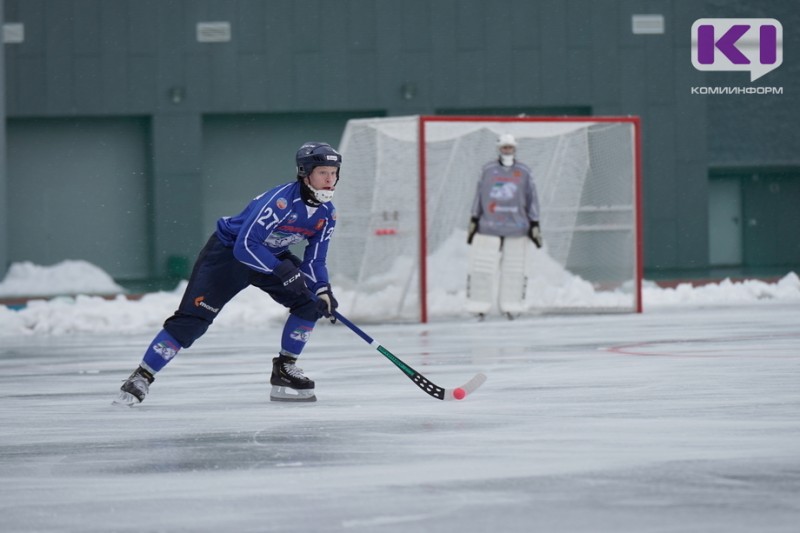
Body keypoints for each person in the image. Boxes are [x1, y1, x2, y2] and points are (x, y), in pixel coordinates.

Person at [114, 142, 342, 405]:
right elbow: (246, 246)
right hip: (228, 255)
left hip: (271, 256)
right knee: (194, 321)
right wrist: (284, 271)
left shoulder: (327, 214)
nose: (329, 179)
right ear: (305, 172)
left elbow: (315, 260)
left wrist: (322, 289)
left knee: (309, 303)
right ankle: (141, 376)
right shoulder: (280, 202)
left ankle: (284, 369)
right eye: (323, 172)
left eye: (334, 172)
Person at [466, 133, 542, 320]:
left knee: (514, 270)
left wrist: (534, 223)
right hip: (489, 226)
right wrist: (474, 219)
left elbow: (532, 198)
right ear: (499, 149)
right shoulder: (488, 170)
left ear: (515, 149)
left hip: (517, 228)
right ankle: (479, 306)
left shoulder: (524, 172)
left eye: (510, 147)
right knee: (482, 269)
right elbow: (479, 195)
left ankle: (512, 306)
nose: (507, 151)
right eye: (504, 147)